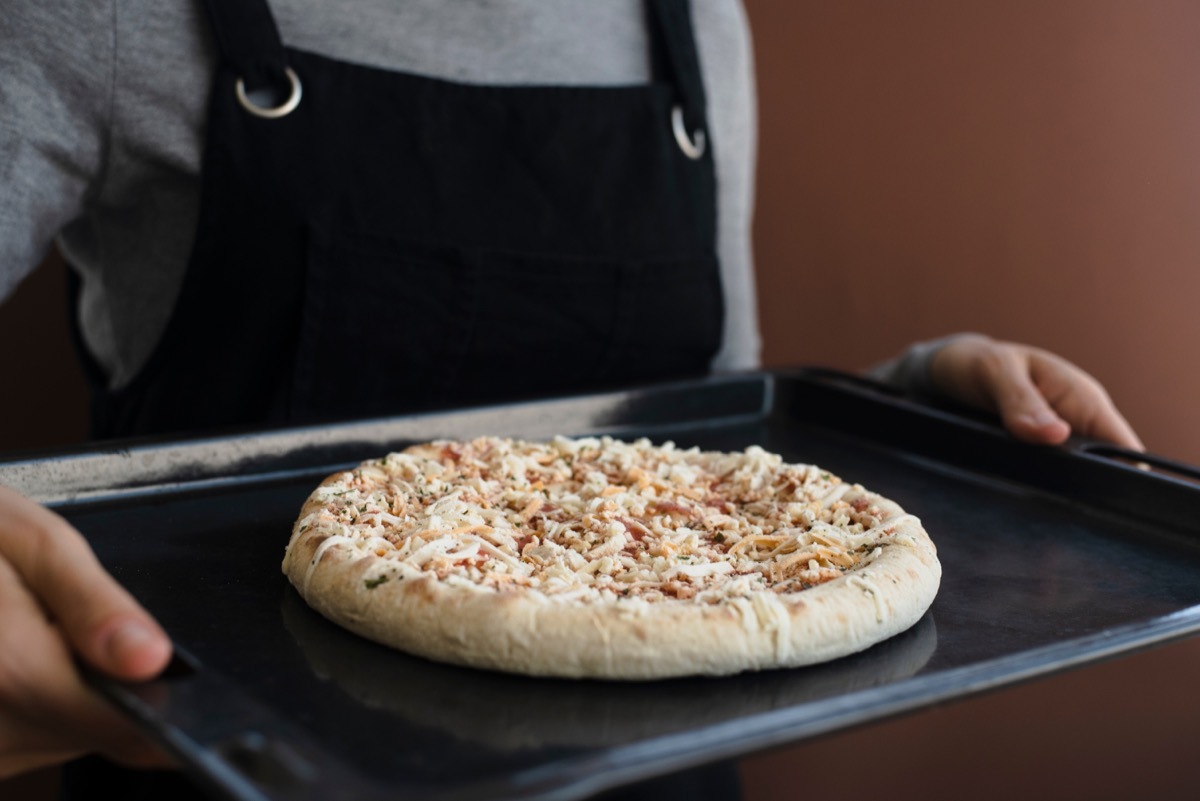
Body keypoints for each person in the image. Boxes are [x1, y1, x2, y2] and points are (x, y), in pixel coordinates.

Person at [0, 0, 1143, 796]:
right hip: (245, 754)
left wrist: (918, 400)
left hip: (661, 776)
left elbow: (708, 428)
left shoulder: (686, 19)